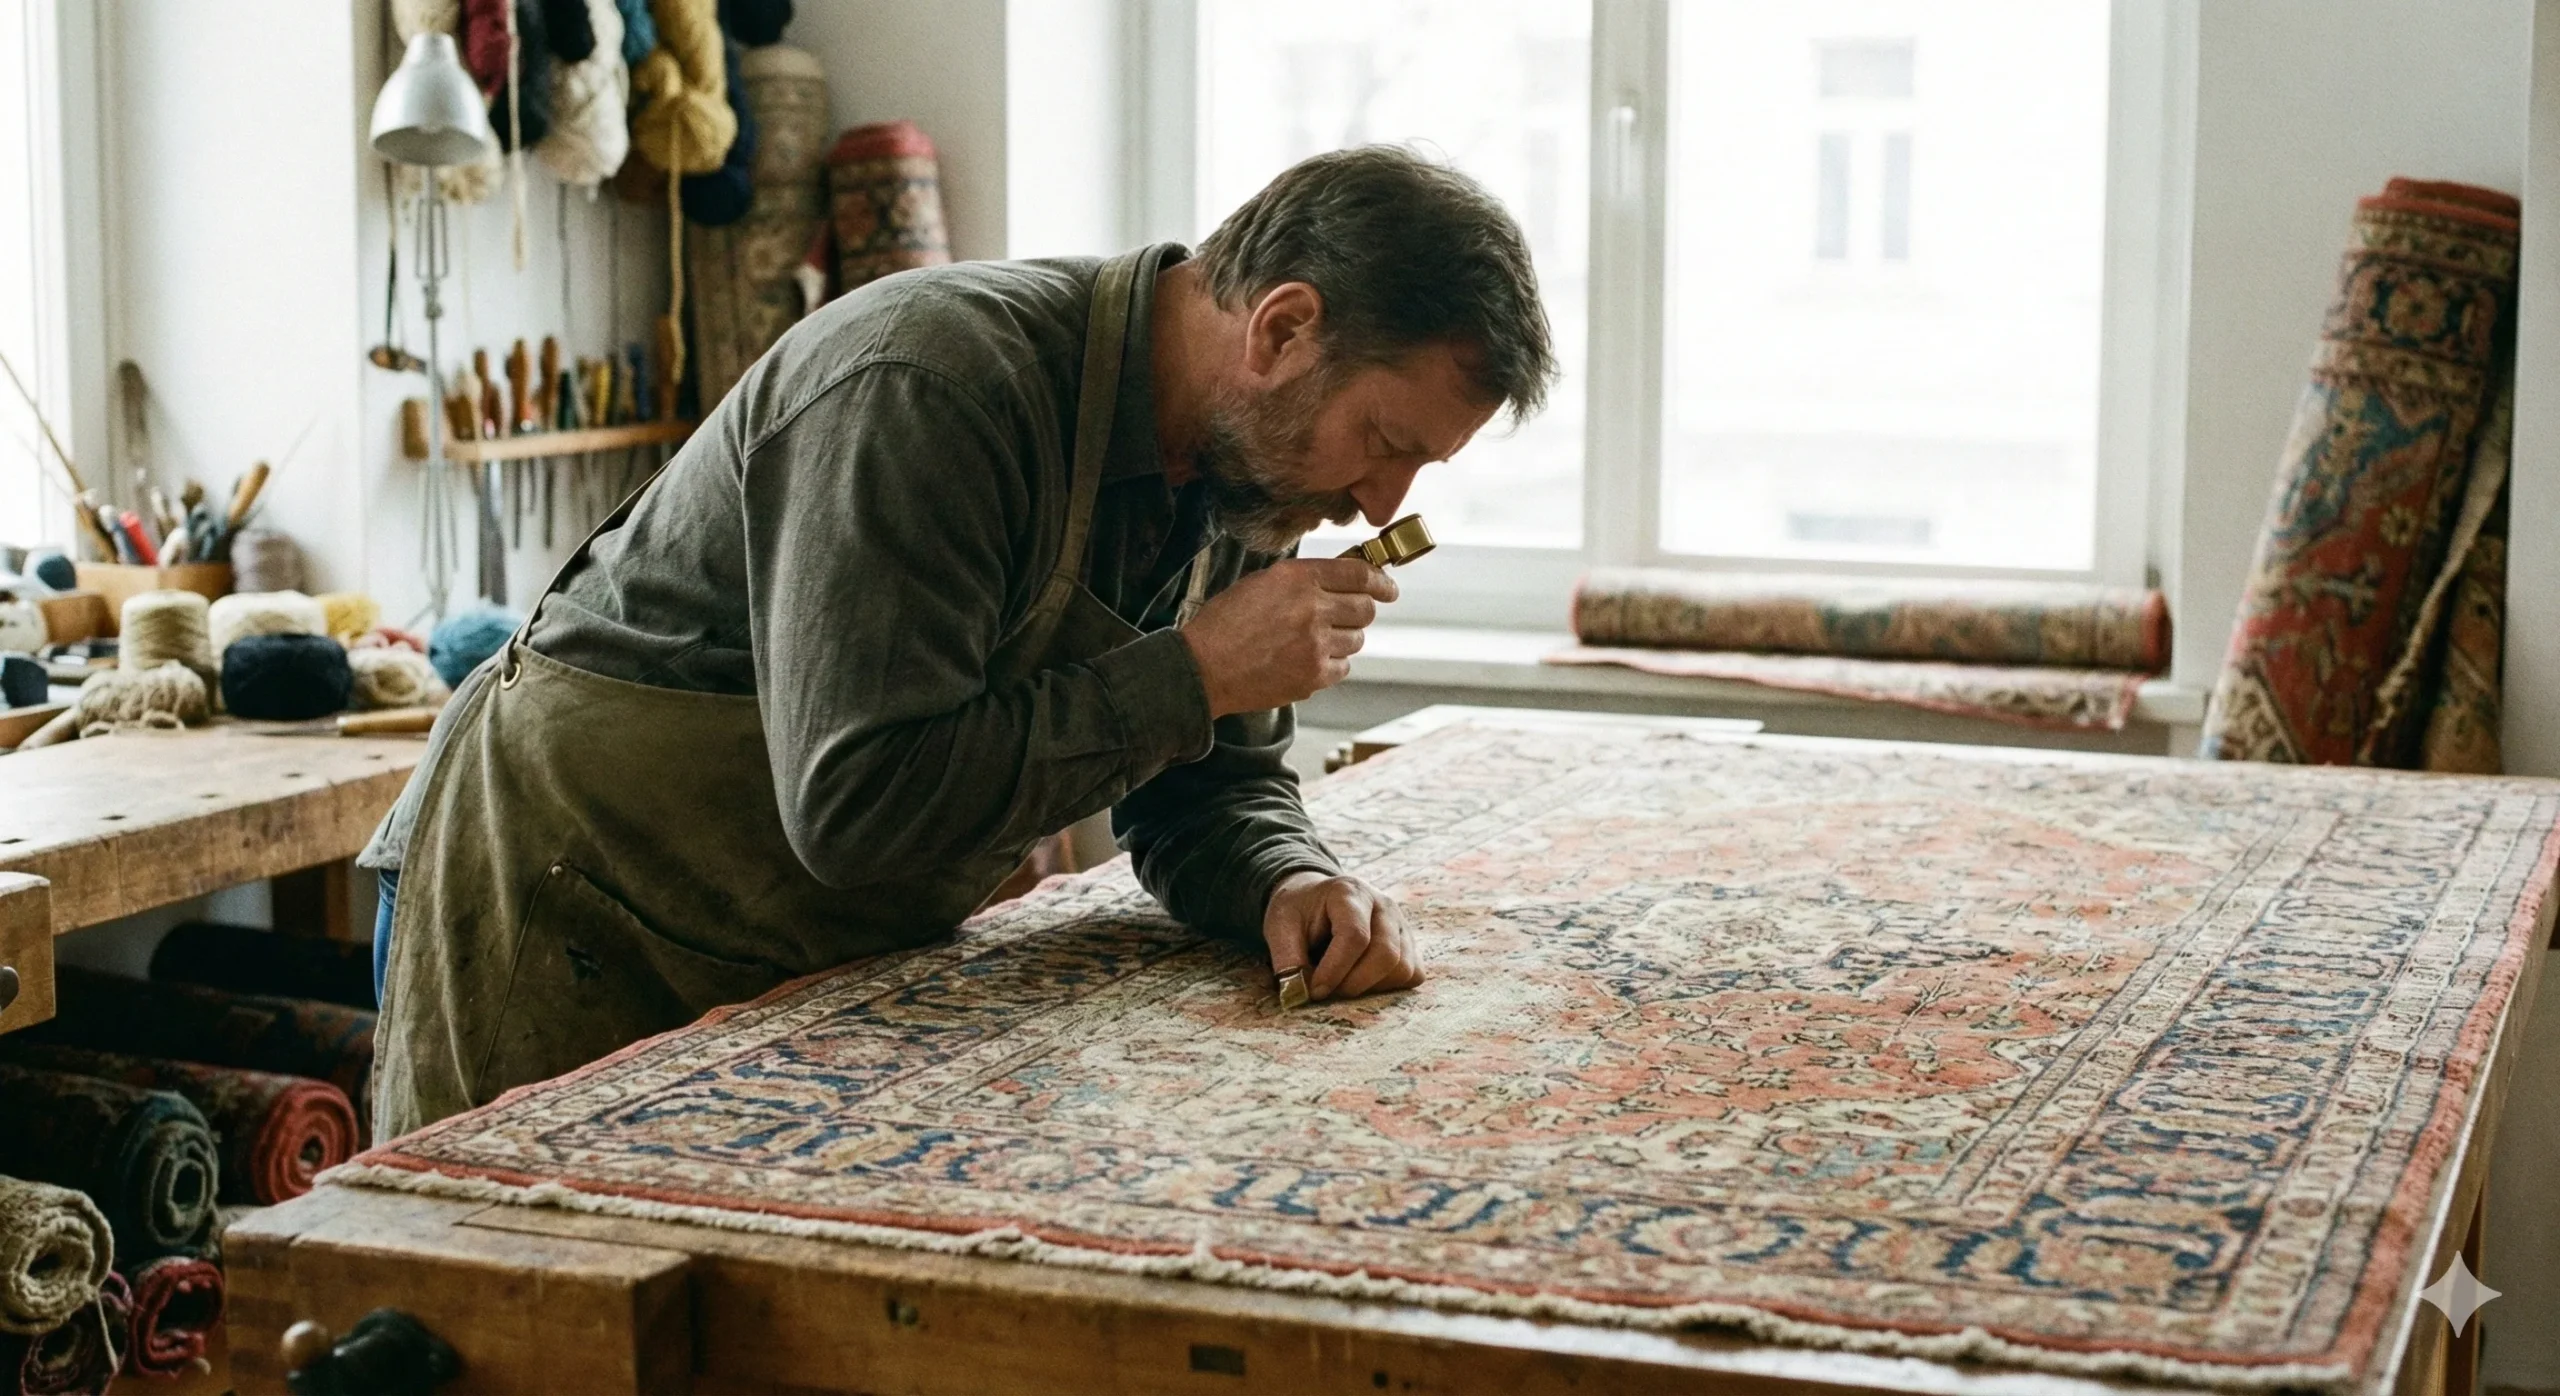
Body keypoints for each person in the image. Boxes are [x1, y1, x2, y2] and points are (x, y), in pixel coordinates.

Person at [362, 145, 1556, 1139]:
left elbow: (1207, 788)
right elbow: (860, 805)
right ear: (1282, 330)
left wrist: (1289, 878)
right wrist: (1195, 670)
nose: (1380, 503)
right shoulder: (931, 385)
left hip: (793, 947)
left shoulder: (1247, 469)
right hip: (567, 903)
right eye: (1384, 441)